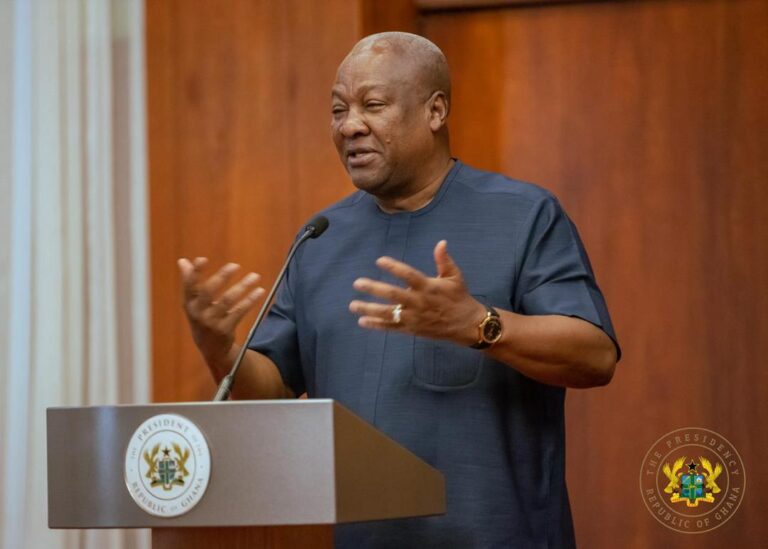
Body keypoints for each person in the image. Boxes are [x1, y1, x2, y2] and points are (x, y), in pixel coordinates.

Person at [179, 32, 619, 548]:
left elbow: (595, 357)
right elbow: (272, 392)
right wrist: (219, 349)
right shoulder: (320, 238)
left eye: (373, 105)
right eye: (338, 109)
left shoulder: (523, 215)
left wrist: (479, 325)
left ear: (435, 111)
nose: (350, 125)